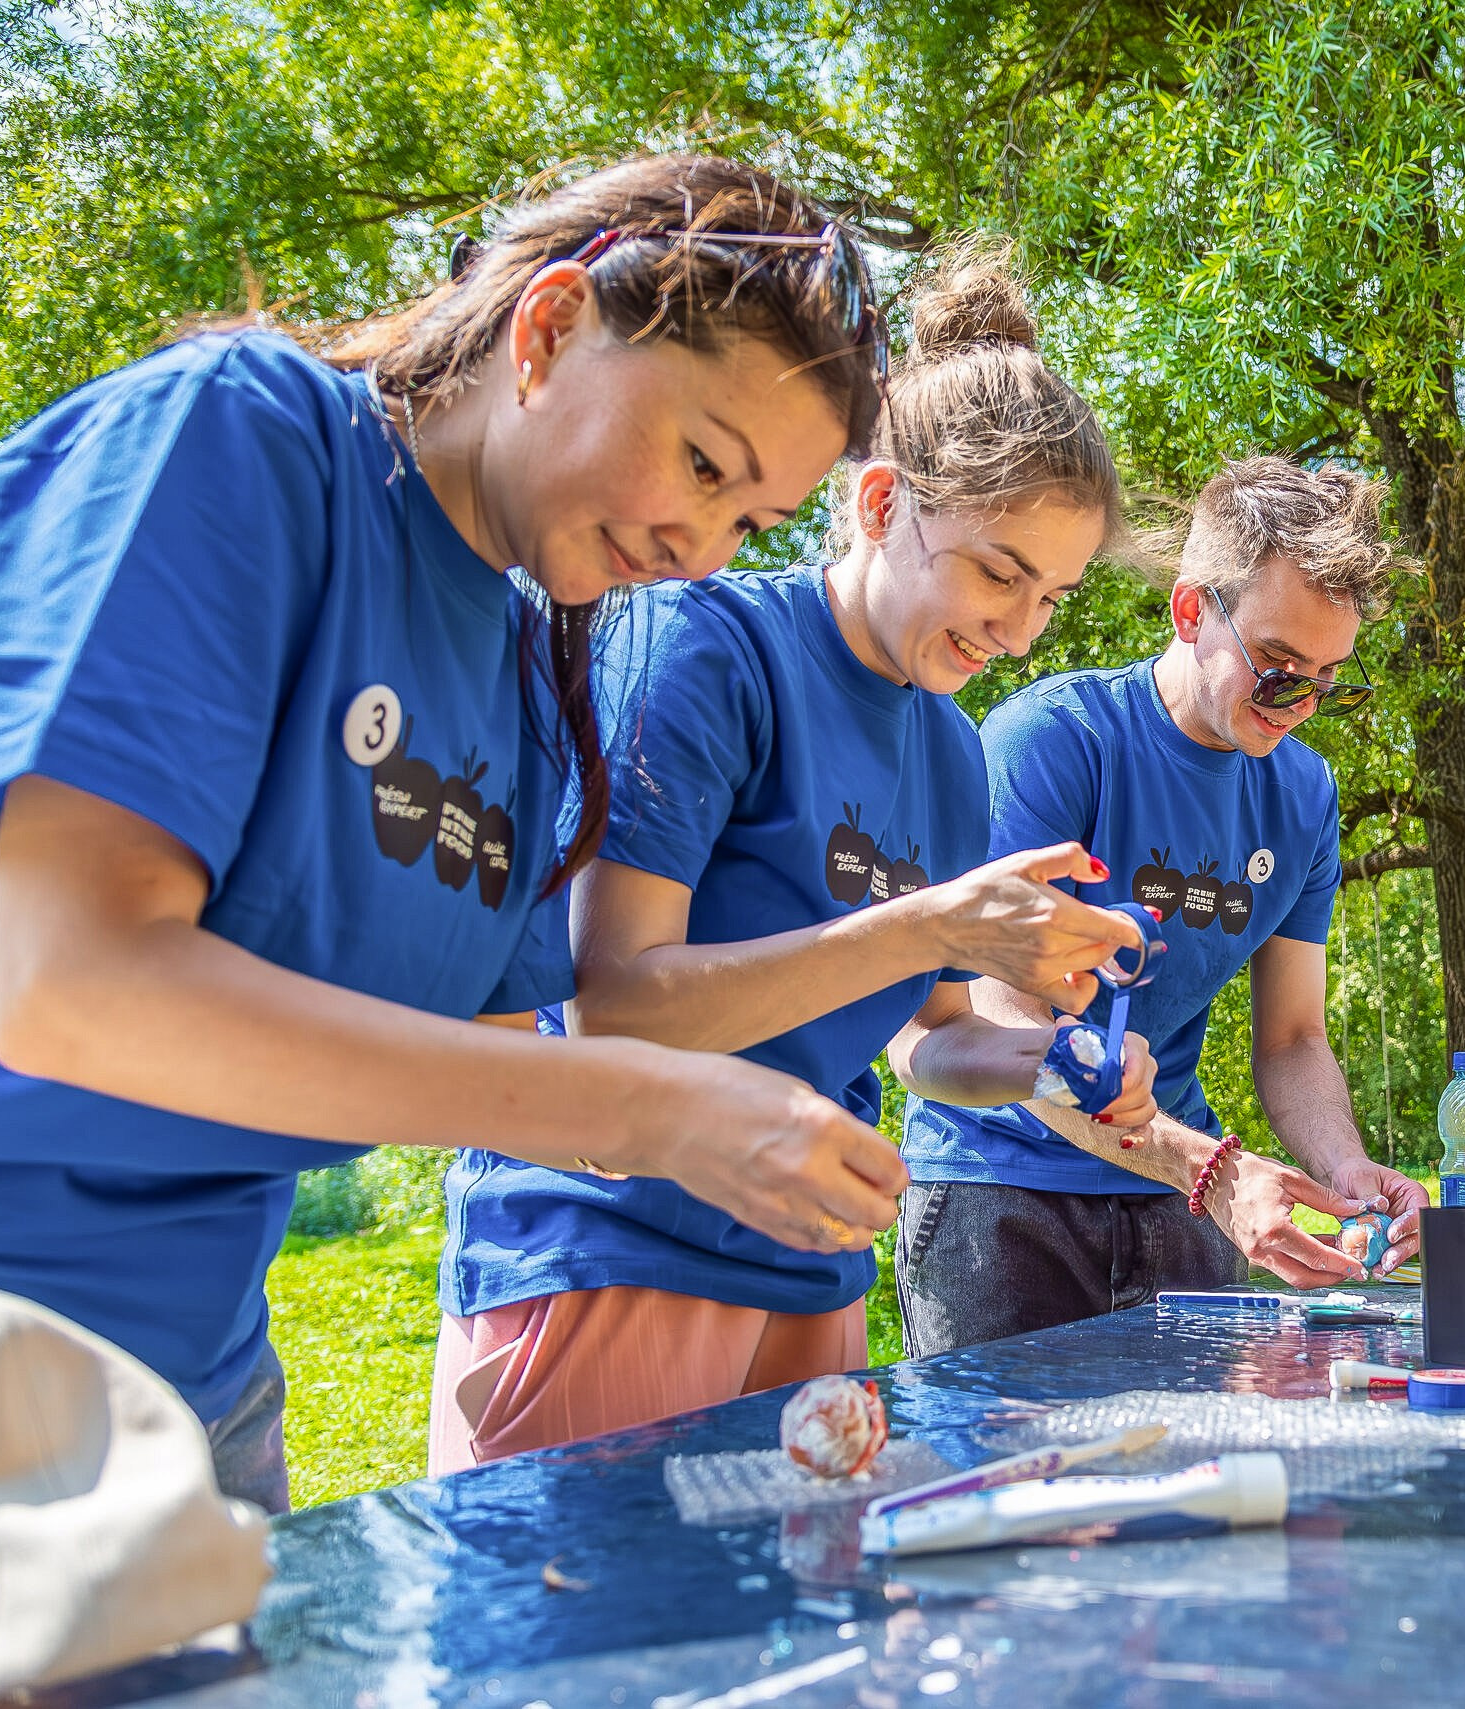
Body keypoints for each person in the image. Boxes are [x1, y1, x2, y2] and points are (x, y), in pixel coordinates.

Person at [0, 155, 905, 1515]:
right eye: (700, 462)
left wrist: (741, 1141)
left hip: (195, 1382)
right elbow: (65, 987)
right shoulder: (244, 445)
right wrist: (650, 1104)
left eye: (750, 520)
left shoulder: (530, 682)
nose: (703, 549)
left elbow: (490, 1077)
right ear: (550, 329)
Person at [429, 248, 1154, 1470]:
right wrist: (933, 925)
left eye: (1055, 597)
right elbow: (612, 1005)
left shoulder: (951, 751)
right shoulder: (704, 644)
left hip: (812, 1275)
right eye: (997, 571)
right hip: (610, 1244)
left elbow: (923, 1042)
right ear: (879, 507)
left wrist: (1050, 1054)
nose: (1021, 629)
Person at [892, 457, 1428, 1358]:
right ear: (1190, 611)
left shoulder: (1303, 796)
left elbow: (1293, 1040)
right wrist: (1207, 1168)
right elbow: (999, 1010)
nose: (1298, 705)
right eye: (1278, 666)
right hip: (1002, 1190)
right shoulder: (1054, 741)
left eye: (1329, 679)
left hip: (1177, 1199)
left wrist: (1346, 1173)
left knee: (1194, 1496)